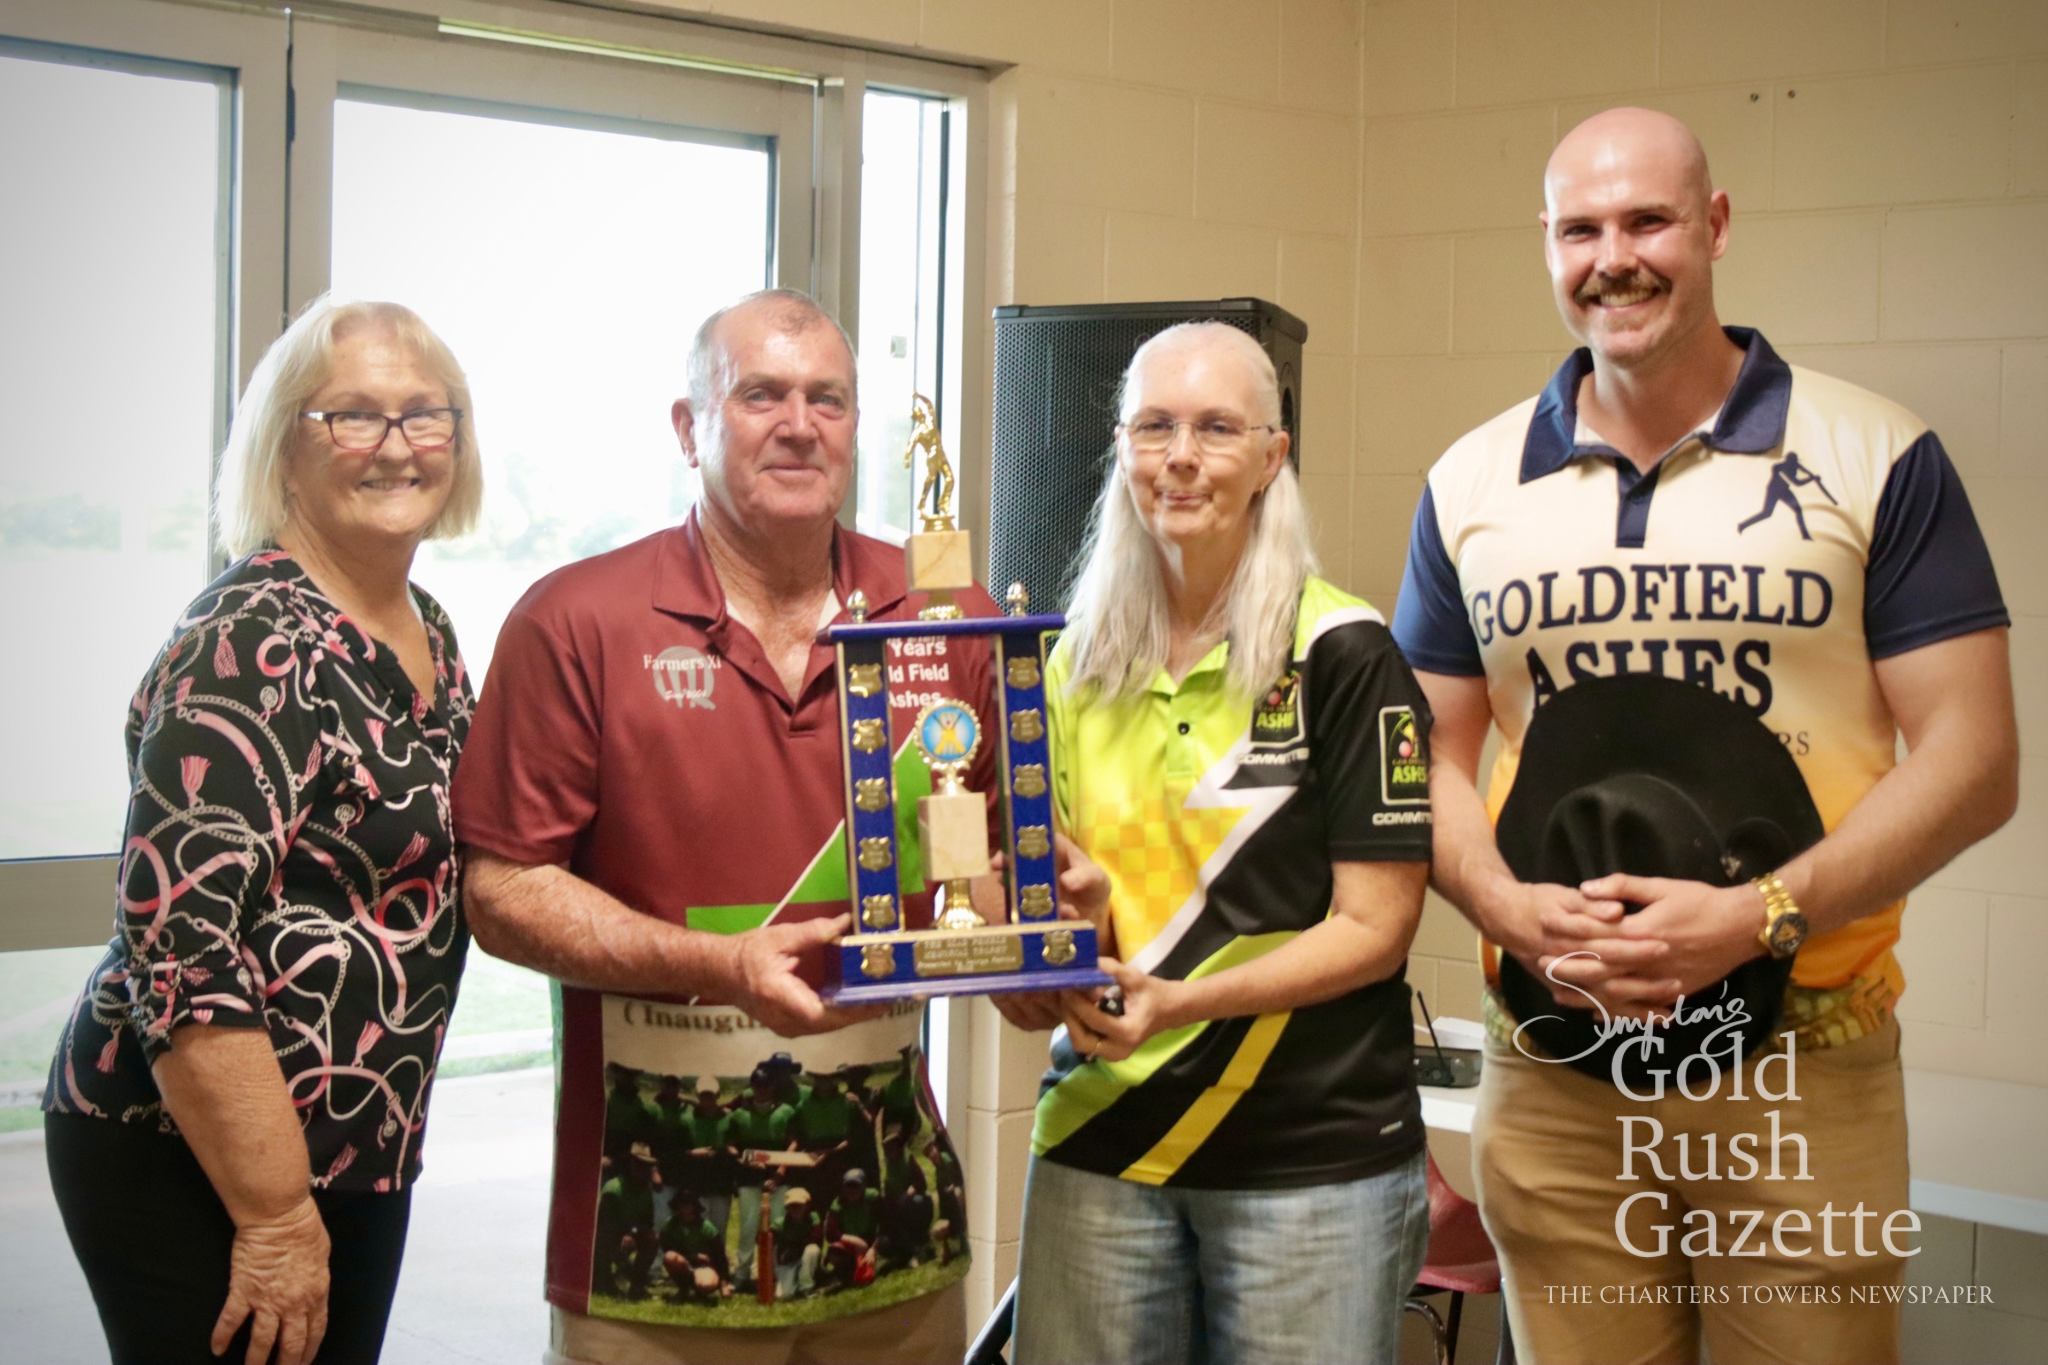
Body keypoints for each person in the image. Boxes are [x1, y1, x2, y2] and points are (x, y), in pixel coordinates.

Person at [1389, 107, 2017, 1364]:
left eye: (1646, 221)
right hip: (1554, 1074)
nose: (1611, 257)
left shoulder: (1872, 454)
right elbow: (1423, 760)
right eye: (1579, 229)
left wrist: (1763, 912)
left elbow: (1972, 759)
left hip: (1794, 1070)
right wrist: (1502, 909)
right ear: (1547, 247)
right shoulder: (1469, 482)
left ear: (1713, 225)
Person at [452, 287, 990, 1364]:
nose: (798, 423)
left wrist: (1050, 945)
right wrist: (719, 963)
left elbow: (999, 860)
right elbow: (502, 893)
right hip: (651, 1260)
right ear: (689, 427)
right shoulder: (576, 622)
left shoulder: (950, 619)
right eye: (760, 395)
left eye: (826, 399)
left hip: (890, 1240)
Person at [41, 296, 483, 1365]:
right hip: (197, 1153)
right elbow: (180, 952)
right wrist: (277, 1216)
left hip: (354, 1141)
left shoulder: (424, 628)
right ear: (286, 443)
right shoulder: (246, 641)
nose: (395, 446)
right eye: (353, 417)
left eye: (426, 416)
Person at [1005, 322, 1436, 1365]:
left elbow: (1375, 931)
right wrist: (1046, 947)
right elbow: (1064, 919)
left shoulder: (1341, 652)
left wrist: (1183, 1002)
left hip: (1307, 1159)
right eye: (1153, 426)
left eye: (1214, 428)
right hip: (1100, 1142)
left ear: (1269, 457)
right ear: (1120, 448)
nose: (1181, 456)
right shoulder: (1069, 666)